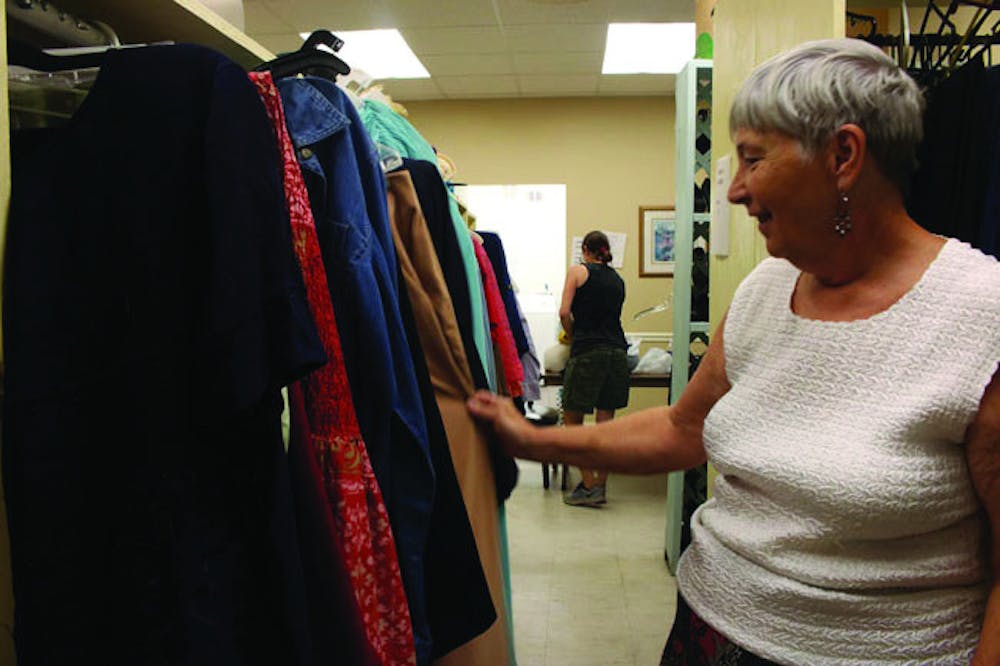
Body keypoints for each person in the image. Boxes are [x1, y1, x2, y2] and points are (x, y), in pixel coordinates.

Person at [468, 38, 1000, 665]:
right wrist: (533, 441)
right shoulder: (765, 290)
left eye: (753, 159)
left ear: (843, 156)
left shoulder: (980, 315)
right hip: (707, 632)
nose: (735, 190)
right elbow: (682, 429)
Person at [557, 230, 630, 507]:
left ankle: (587, 485)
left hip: (588, 352)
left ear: (585, 249)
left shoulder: (577, 271)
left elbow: (565, 312)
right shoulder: (618, 280)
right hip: (617, 354)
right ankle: (600, 485)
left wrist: (572, 334)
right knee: (605, 427)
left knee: (573, 424)